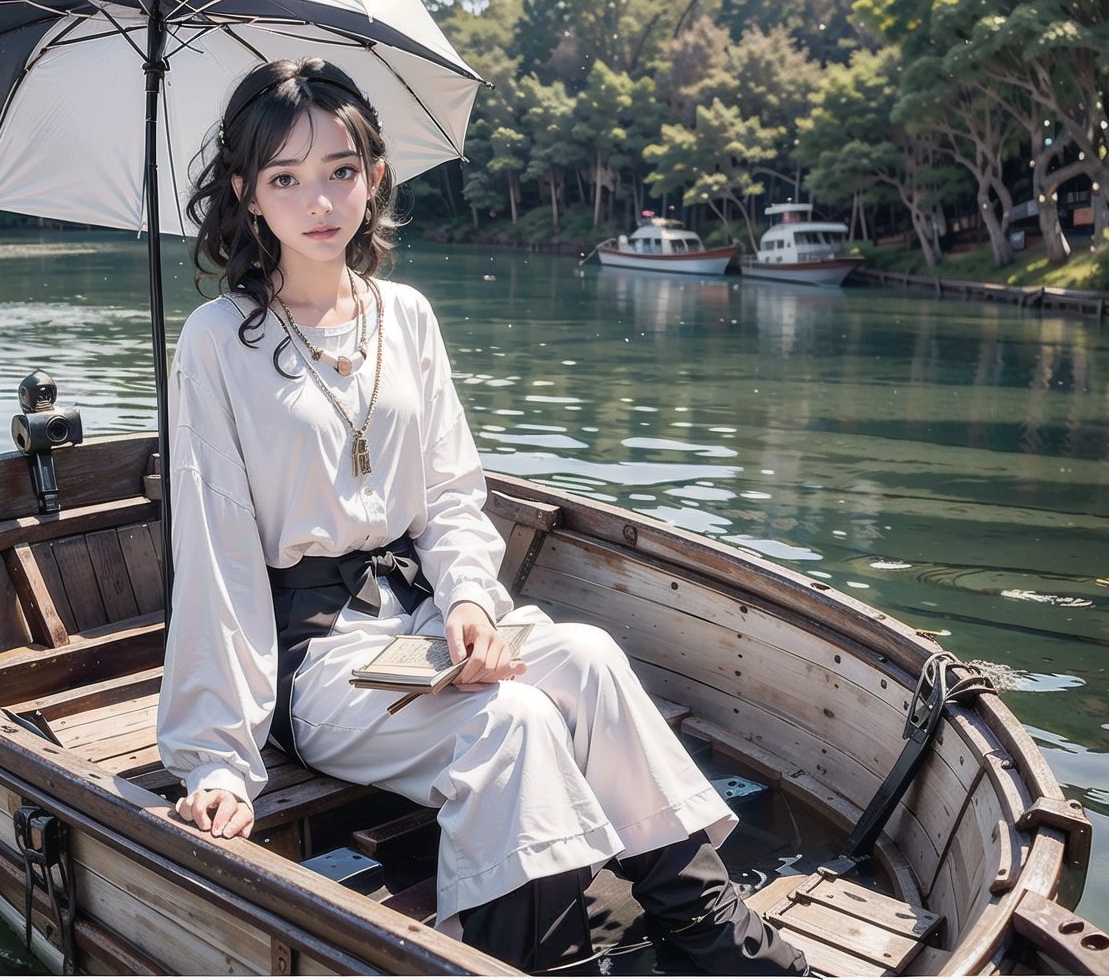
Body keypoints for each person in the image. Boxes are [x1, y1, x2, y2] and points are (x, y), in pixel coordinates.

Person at [156, 56, 807, 975]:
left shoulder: (406, 317)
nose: (319, 201)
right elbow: (219, 557)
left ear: (375, 177)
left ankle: (711, 940)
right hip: (322, 660)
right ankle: (536, 962)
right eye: (285, 179)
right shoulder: (222, 341)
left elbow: (453, 495)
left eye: (341, 170)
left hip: (424, 620)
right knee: (514, 724)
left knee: (588, 656)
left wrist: (469, 603)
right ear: (246, 195)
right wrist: (218, 761)